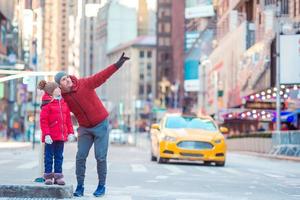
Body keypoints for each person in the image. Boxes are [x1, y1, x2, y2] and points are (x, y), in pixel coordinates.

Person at [54, 52, 129, 197]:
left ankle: (101, 186)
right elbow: (50, 96)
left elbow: (102, 76)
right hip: (84, 129)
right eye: (64, 79)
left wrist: (117, 65)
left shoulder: (84, 84)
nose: (67, 80)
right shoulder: (63, 98)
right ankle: (80, 187)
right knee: (80, 156)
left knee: (100, 157)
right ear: (60, 85)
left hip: (101, 125)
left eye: (67, 77)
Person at [39, 80, 76, 185]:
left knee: (59, 156)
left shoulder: (64, 104)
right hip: (50, 137)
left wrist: (70, 132)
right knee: (48, 156)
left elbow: (68, 120)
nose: (59, 89)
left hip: (61, 136)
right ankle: (48, 176)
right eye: (57, 88)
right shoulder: (47, 104)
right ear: (51, 91)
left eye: (59, 88)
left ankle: (58, 176)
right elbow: (43, 121)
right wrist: (46, 134)